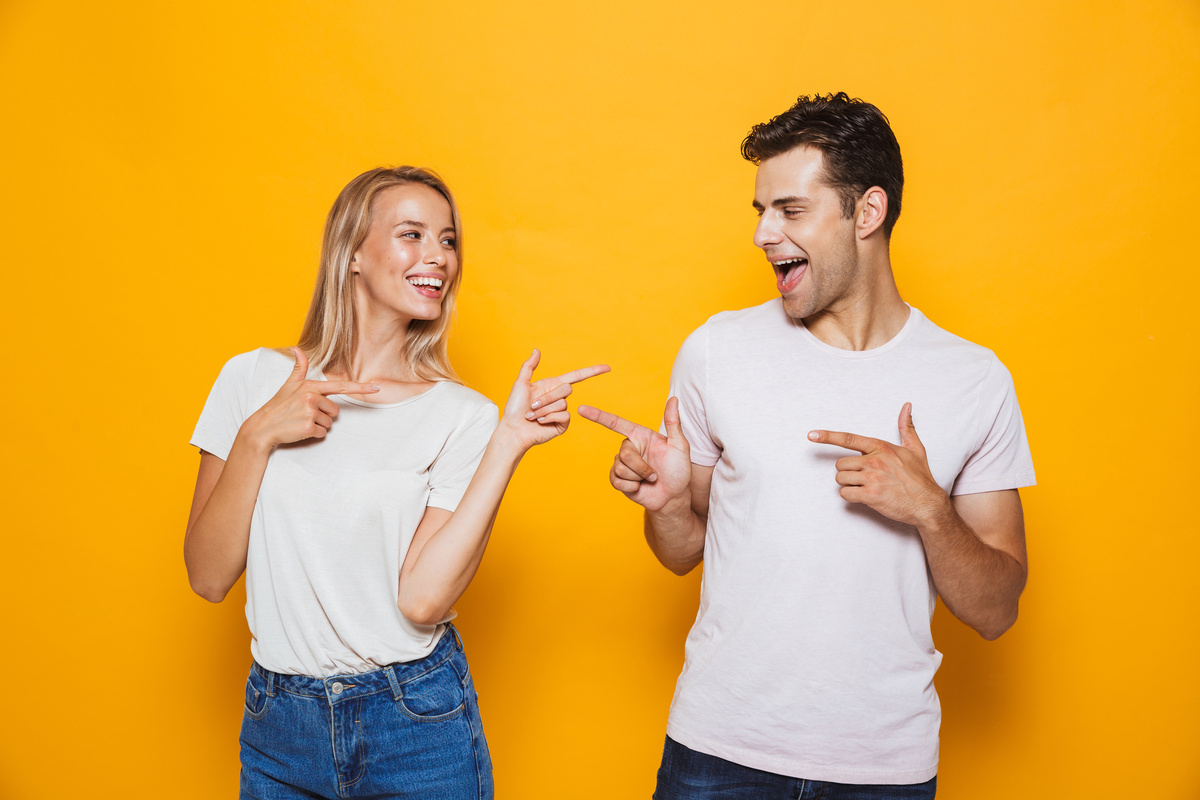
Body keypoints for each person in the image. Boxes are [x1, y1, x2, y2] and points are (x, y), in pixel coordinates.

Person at [581, 93, 1035, 799]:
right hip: (716, 754)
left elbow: (997, 609)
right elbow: (682, 552)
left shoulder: (973, 379)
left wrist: (930, 511)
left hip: (882, 771)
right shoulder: (717, 351)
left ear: (868, 212)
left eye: (790, 211)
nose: (764, 234)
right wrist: (666, 504)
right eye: (760, 211)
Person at [185, 166, 607, 800]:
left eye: (448, 240)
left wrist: (508, 445)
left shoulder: (462, 415)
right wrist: (258, 436)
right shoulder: (252, 381)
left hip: (413, 720)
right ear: (352, 251)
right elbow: (207, 576)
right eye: (413, 234)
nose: (437, 257)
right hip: (279, 723)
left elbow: (421, 603)